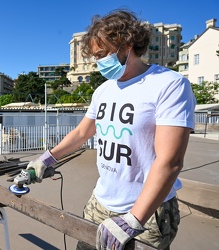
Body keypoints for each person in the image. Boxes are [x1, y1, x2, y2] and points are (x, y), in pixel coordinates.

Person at [26, 9, 196, 250]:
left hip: (148, 209)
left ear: (126, 44)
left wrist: (134, 219)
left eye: (102, 54)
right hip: (101, 202)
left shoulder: (170, 84)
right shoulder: (104, 90)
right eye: (95, 56)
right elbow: (81, 134)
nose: (98, 62)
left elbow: (170, 162)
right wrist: (46, 159)